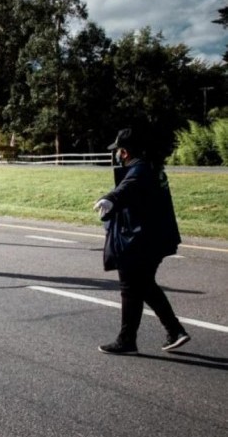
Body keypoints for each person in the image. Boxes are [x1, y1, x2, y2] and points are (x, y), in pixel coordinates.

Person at [93, 128, 189, 355]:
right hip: (154, 238)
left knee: (131, 287)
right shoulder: (152, 168)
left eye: (117, 150)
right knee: (144, 286)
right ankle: (173, 330)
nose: (115, 154)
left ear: (124, 152)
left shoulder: (140, 170)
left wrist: (110, 198)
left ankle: (128, 340)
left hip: (139, 240)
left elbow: (128, 187)